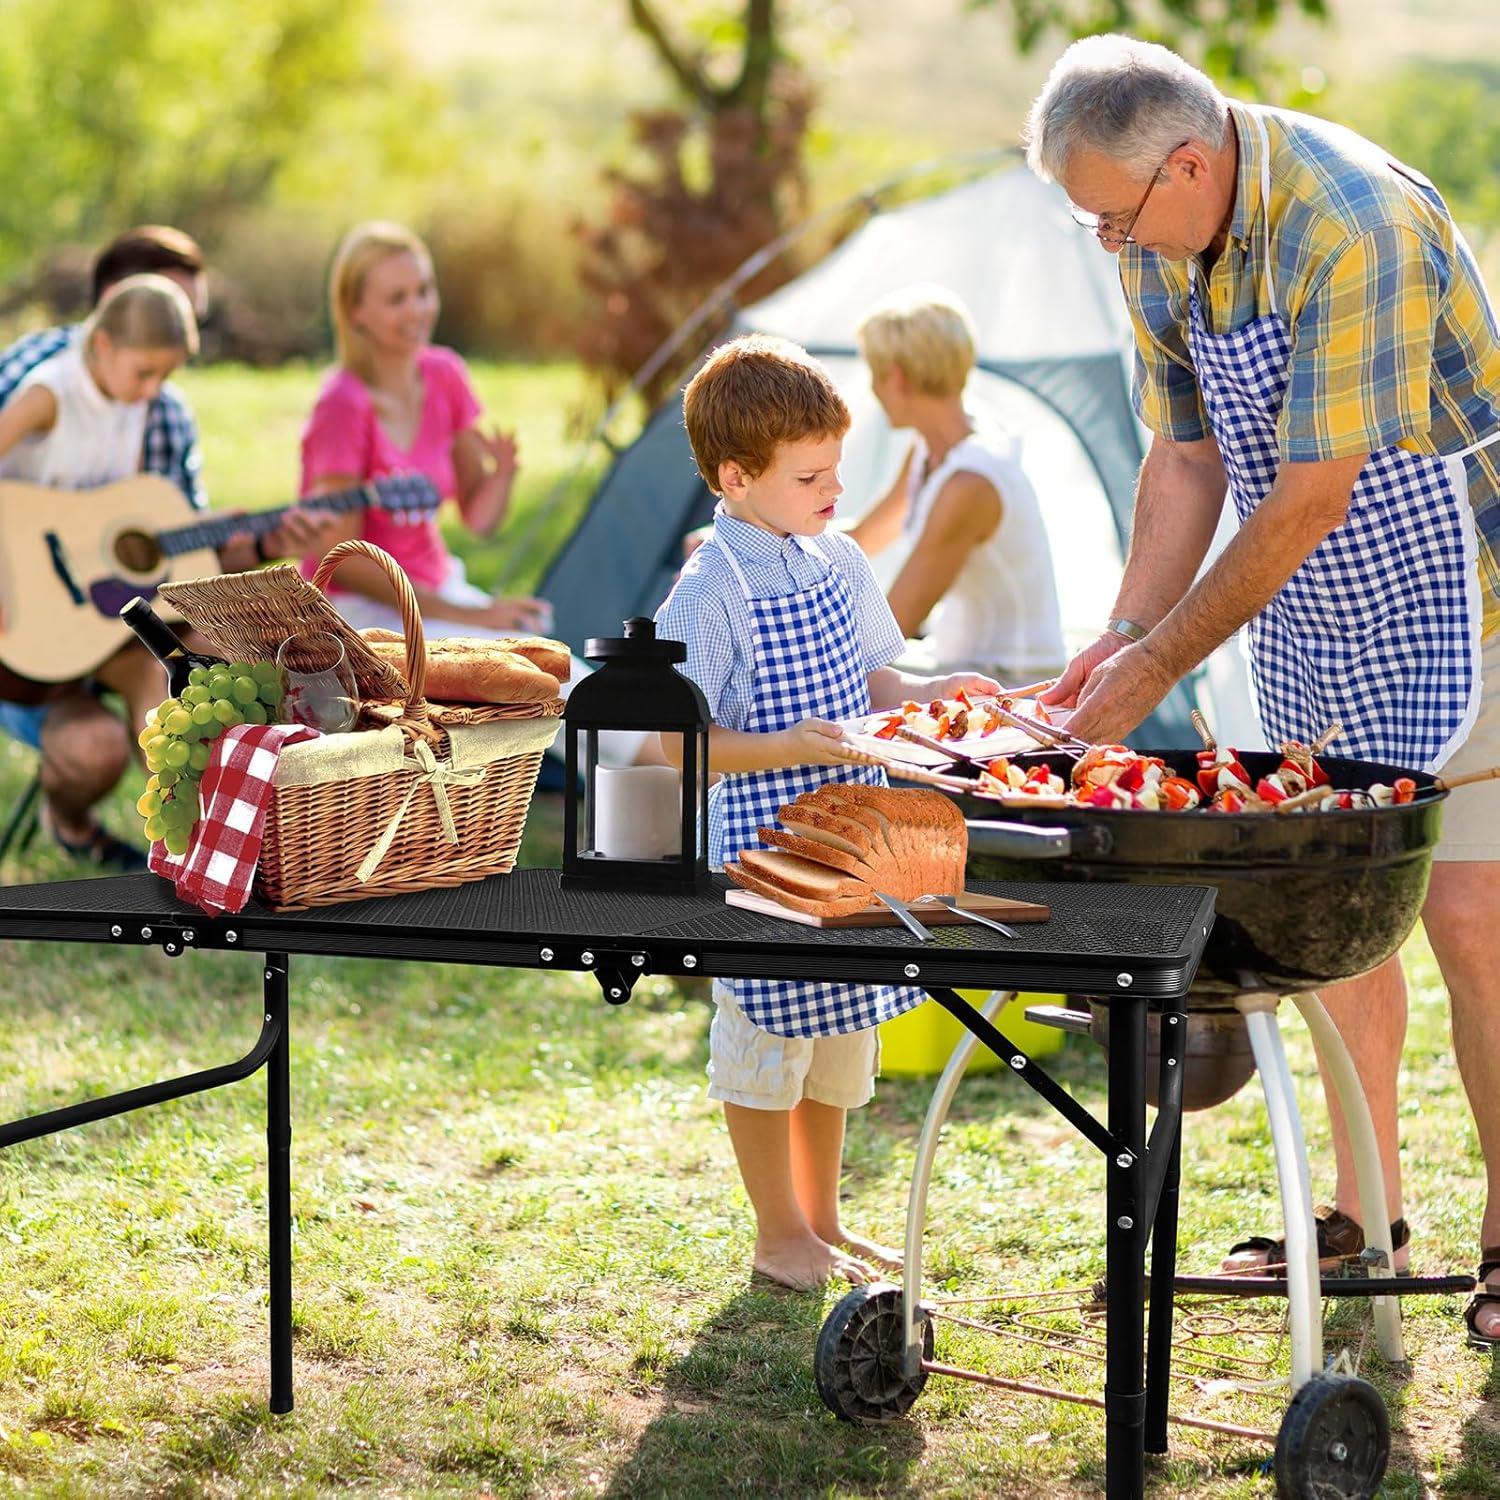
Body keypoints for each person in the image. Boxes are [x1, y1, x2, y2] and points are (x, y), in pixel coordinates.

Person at [1023, 34, 1500, 1347]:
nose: (1111, 249)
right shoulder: (1161, 247)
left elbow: (1310, 492)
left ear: (1187, 162)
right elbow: (1185, 465)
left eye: (1115, 218)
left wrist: (1161, 664)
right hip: (1306, 601)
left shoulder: (1350, 221)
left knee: (1470, 915)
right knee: (1333, 911)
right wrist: (1120, 630)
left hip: (1469, 582)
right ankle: (1366, 1217)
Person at [654, 334, 1001, 1289]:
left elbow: (876, 676)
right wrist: (794, 745)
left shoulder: (838, 557)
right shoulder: (711, 586)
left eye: (836, 469)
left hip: (854, 854)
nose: (833, 491)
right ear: (735, 476)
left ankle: (823, 1221)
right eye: (811, 475)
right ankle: (778, 1236)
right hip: (767, 859)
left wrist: (935, 692)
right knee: (769, 1038)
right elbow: (674, 746)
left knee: (837, 1034)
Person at [0, 227, 331, 872]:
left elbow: (143, 526)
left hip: (103, 614)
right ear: (102, 342)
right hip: (29, 612)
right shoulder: (48, 390)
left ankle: (198, 850)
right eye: (145, 371)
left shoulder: (137, 401)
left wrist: (244, 538)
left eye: (165, 375)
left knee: (171, 675)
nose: (154, 388)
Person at [298, 220, 550, 638]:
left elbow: (479, 520)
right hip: (361, 612)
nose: (417, 309)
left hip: (438, 593)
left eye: (424, 291)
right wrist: (470, 615)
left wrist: (503, 474)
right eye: (397, 299)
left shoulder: (444, 374)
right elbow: (342, 559)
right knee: (528, 692)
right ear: (355, 310)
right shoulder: (341, 405)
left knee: (565, 677)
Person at [847, 285, 1066, 685]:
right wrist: (760, 539)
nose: (873, 390)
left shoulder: (969, 484)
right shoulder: (931, 448)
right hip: (959, 661)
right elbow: (863, 536)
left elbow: (892, 626)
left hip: (1011, 684)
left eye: (874, 375)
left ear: (897, 378)